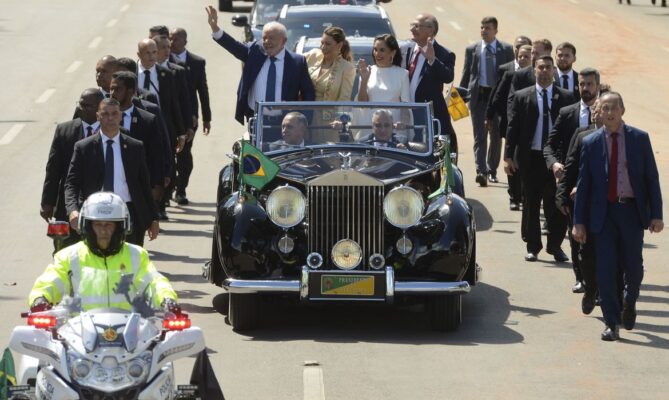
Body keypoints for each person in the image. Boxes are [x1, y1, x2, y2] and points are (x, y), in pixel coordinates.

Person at [573, 92, 663, 341]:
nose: (609, 113)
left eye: (614, 108)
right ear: (598, 112)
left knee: (633, 266)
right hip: (603, 215)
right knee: (605, 269)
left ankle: (630, 301)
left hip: (631, 212)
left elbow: (651, 179)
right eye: (604, 109)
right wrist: (578, 221)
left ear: (623, 110)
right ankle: (611, 322)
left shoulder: (639, 139)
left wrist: (656, 214)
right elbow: (584, 184)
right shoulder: (590, 143)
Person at [29, 192, 179, 314]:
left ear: (121, 227)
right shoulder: (68, 256)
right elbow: (51, 280)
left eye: (109, 224)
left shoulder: (136, 255)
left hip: (130, 335)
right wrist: (40, 298)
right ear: (87, 226)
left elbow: (154, 282)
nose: (103, 230)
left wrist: (167, 299)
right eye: (97, 224)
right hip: (78, 336)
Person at [504, 55, 575, 262]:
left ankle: (555, 246)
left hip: (556, 161)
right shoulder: (522, 96)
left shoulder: (566, 97)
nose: (544, 71)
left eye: (548, 68)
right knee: (531, 203)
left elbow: (572, 130)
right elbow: (513, 128)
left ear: (553, 71)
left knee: (557, 204)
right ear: (534, 70)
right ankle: (533, 246)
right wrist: (508, 157)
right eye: (540, 68)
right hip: (531, 158)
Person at [65, 98, 160, 246]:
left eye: (114, 114)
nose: (110, 118)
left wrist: (154, 218)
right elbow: (71, 183)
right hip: (95, 213)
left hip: (128, 214)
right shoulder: (84, 148)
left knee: (129, 263)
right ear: (98, 117)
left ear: (121, 116)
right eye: (105, 114)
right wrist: (72, 210)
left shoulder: (135, 147)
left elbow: (144, 185)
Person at [206, 6, 315, 125]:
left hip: (285, 124)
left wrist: (305, 122)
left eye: (271, 38)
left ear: (283, 41)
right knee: (251, 144)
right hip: (256, 121)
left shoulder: (297, 62)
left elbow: (308, 94)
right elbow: (234, 46)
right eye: (264, 38)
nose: (267, 42)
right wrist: (215, 28)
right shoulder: (255, 51)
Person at [544, 68, 600, 292]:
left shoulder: (606, 112)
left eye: (589, 84)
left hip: (599, 190)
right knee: (576, 235)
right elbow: (549, 144)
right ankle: (581, 278)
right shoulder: (567, 113)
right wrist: (555, 163)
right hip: (572, 186)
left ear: (597, 86)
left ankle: (598, 281)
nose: (585, 88)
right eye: (582, 84)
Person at [41, 89, 105, 251]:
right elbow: (53, 169)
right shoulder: (65, 130)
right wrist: (47, 202)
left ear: (99, 108)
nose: (82, 108)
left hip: (100, 205)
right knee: (63, 250)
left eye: (87, 105)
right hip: (67, 205)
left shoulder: (110, 131)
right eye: (80, 104)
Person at [459, 16, 514, 187]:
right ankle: (480, 170)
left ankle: (492, 170)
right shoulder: (472, 49)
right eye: (482, 27)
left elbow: (511, 75)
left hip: (498, 99)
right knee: (479, 136)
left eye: (488, 28)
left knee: (496, 137)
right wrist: (460, 96)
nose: (484, 30)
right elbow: (466, 74)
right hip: (479, 97)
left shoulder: (506, 49)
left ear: (496, 30)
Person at [487, 38, 532, 210]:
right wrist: (498, 116)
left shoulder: (539, 77)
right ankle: (514, 197)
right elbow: (497, 96)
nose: (522, 60)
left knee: (527, 163)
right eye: (520, 56)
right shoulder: (510, 74)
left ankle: (525, 194)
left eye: (526, 57)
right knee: (512, 160)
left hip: (532, 129)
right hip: (513, 126)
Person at [170, 27, 212, 205]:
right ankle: (165, 190)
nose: (172, 42)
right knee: (166, 155)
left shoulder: (196, 62)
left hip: (189, 118)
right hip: (169, 116)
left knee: (184, 155)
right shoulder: (163, 60)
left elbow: (203, 91)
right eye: (170, 39)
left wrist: (206, 118)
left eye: (176, 39)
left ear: (185, 41)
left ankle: (181, 189)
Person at [402, 13, 456, 147]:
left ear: (430, 30)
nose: (412, 29)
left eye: (417, 26)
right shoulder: (406, 49)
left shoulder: (444, 54)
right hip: (405, 116)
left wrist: (432, 60)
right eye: (412, 25)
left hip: (428, 118)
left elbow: (448, 77)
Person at [303, 26, 356, 142]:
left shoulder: (347, 68)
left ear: (339, 45)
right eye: (322, 43)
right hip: (305, 119)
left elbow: (344, 99)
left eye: (328, 44)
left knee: (327, 158)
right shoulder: (312, 55)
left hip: (329, 124)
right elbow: (293, 63)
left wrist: (341, 121)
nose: (323, 47)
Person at [357, 34, 410, 103]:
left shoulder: (403, 74)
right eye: (375, 49)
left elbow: (406, 105)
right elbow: (362, 103)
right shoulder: (366, 72)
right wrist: (364, 80)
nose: (377, 54)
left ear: (392, 52)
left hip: (393, 114)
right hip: (370, 114)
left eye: (382, 50)